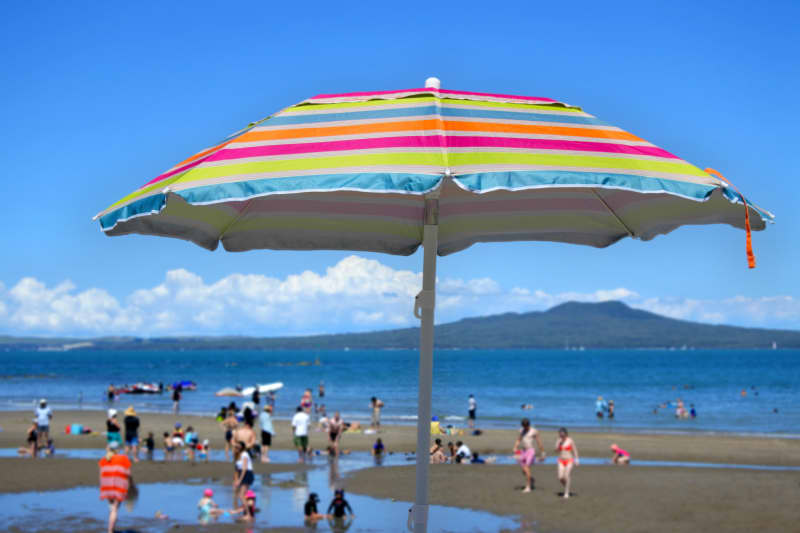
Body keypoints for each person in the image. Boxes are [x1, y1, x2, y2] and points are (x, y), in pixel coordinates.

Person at [99, 441, 131, 533]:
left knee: (112, 508)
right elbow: (128, 474)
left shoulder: (104, 459)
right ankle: (110, 531)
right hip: (118, 487)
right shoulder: (123, 458)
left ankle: (112, 528)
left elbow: (101, 474)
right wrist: (128, 486)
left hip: (106, 487)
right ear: (118, 449)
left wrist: (102, 487)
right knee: (115, 509)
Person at [513, 418, 544, 493]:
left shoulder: (534, 431)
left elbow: (538, 442)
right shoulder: (521, 430)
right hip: (523, 451)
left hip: (530, 451)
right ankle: (531, 479)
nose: (524, 428)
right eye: (523, 427)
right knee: (524, 470)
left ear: (528, 425)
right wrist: (515, 447)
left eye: (525, 427)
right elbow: (519, 439)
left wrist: (542, 452)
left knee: (526, 468)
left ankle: (528, 487)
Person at [555, 427, 579, 498]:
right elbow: (556, 450)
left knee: (566, 476)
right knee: (560, 477)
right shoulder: (558, 440)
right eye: (560, 435)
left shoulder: (570, 440)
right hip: (561, 460)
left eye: (563, 435)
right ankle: (567, 488)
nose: (561, 436)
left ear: (566, 434)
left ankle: (566, 492)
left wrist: (577, 459)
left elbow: (575, 450)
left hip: (569, 460)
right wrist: (559, 445)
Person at [232, 440, 254, 508]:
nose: (236, 449)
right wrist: (235, 480)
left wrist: (239, 480)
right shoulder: (237, 455)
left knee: (241, 495)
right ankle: (248, 509)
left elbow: (244, 468)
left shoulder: (244, 454)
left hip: (247, 474)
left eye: (238, 447)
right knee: (244, 495)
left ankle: (248, 514)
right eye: (236, 447)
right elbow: (236, 469)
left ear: (242, 448)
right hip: (242, 473)